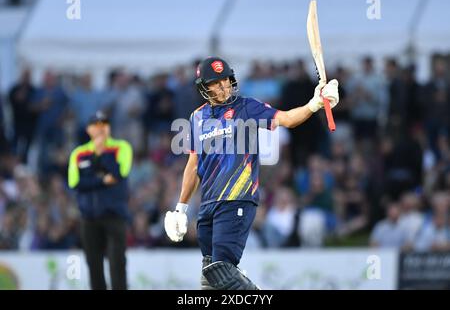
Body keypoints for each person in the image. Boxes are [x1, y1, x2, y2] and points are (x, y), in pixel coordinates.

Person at [164, 56, 339, 290]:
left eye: (226, 80)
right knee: (210, 277)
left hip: (237, 198)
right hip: (208, 204)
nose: (223, 87)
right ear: (204, 88)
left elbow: (287, 119)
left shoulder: (246, 107)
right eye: (215, 83)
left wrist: (314, 104)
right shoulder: (197, 117)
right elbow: (193, 164)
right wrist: (181, 208)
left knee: (222, 270)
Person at [68, 111, 133, 290]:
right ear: (89, 129)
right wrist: (102, 180)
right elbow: (75, 183)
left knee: (117, 263)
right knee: (94, 265)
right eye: (96, 125)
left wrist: (102, 153)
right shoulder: (79, 153)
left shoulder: (122, 147)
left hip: (115, 215)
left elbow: (120, 174)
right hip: (88, 217)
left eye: (104, 124)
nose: (100, 128)